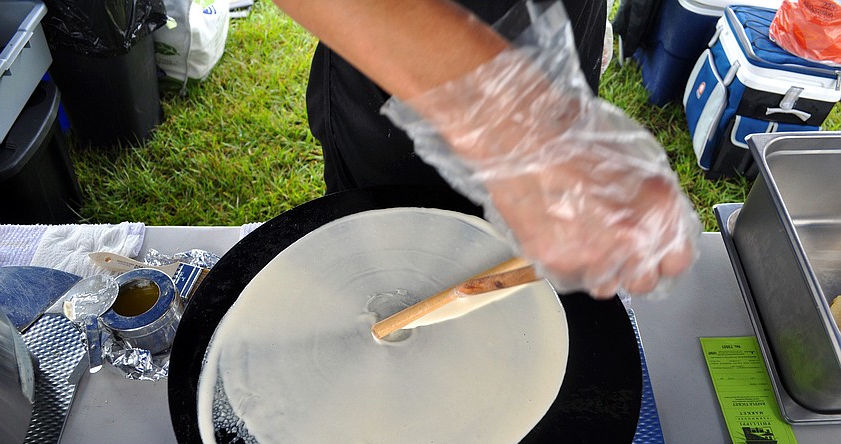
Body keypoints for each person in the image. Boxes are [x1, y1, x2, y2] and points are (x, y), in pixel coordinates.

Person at [272, 0, 700, 298]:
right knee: (388, 269)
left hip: (559, 38)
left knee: (521, 297)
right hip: (400, 62)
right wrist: (517, 124)